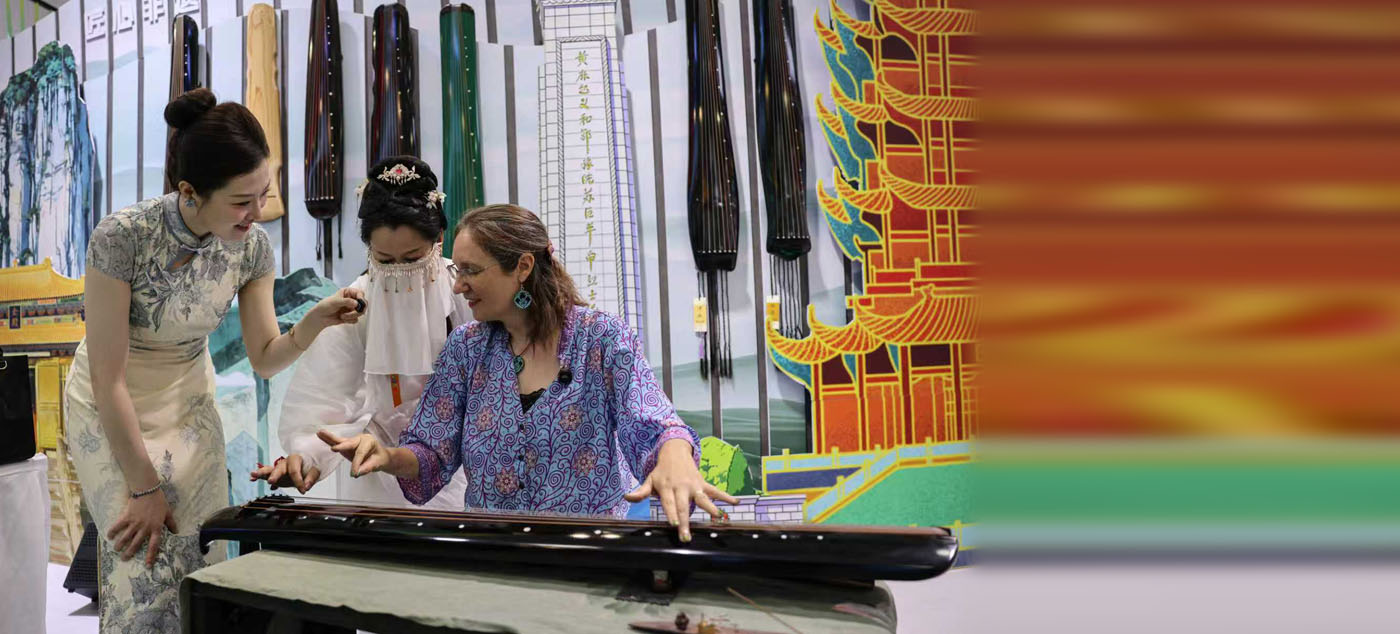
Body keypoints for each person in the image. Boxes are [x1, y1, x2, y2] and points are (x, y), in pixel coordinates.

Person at [63, 88, 363, 633]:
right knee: (143, 555)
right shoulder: (122, 238)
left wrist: (315, 322)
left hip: (187, 399)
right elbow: (108, 381)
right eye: (242, 201)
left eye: (264, 194)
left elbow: (265, 358)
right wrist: (144, 487)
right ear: (189, 192)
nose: (257, 213)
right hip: (111, 400)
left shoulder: (252, 248)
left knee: (201, 553)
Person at [317, 204, 737, 541]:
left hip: (589, 558)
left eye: (471, 270)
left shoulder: (602, 339)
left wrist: (675, 458)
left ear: (522, 267)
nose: (458, 285)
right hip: (493, 561)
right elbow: (432, 454)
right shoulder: (465, 349)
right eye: (457, 271)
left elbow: (654, 424)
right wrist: (386, 456)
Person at [250, 156, 468, 507]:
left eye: (413, 259)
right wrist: (305, 458)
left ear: (439, 239)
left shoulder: (465, 291)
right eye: (385, 260)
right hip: (373, 468)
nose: (399, 272)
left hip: (462, 467)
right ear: (369, 250)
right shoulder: (355, 303)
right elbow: (323, 400)